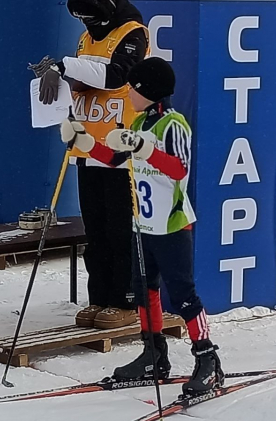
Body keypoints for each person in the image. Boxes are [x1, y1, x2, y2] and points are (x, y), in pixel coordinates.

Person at [59, 57, 224, 396]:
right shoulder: (138, 123)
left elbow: (179, 169)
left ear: (149, 91)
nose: (129, 93)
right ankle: (153, 353)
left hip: (172, 225)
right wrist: (84, 141)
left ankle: (207, 358)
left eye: (133, 88)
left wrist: (144, 148)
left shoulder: (172, 124)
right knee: (145, 290)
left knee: (182, 295)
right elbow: (116, 159)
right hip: (142, 224)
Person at [31, 0, 149, 329]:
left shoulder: (133, 32)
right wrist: (60, 80)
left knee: (119, 227)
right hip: (86, 143)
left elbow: (117, 76)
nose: (88, 25)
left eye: (92, 18)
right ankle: (100, 296)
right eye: (82, 19)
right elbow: (88, 76)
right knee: (94, 229)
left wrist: (66, 66)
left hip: (119, 146)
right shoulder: (86, 37)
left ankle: (125, 298)